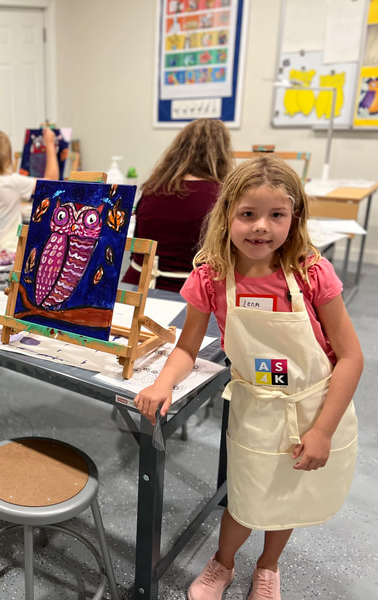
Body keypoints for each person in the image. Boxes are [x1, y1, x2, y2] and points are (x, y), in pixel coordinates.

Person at [134, 155, 360, 600]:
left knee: (288, 498)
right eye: (248, 214)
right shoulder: (212, 277)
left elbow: (351, 358)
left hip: (313, 406)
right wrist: (163, 384)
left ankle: (268, 566)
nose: (261, 227)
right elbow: (187, 348)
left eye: (276, 215)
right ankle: (223, 562)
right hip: (255, 406)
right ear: (226, 215)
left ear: (294, 217)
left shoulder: (311, 273)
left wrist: (323, 431)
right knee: (246, 496)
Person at [122, 118, 233, 292]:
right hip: (189, 291)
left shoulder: (153, 188)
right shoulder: (220, 195)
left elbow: (137, 244)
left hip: (138, 284)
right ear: (222, 154)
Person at [0, 127, 58, 252]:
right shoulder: (12, 182)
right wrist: (50, 144)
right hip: (8, 256)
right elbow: (51, 183)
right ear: (6, 157)